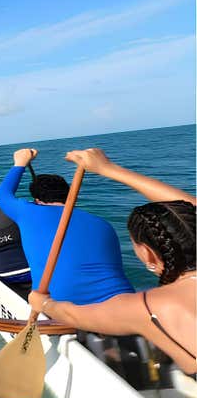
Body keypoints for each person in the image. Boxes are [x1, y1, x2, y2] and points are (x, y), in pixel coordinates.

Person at [28, 148, 196, 374]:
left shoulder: (147, 307)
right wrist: (108, 169)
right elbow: (189, 208)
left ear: (148, 253)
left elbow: (73, 315)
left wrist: (44, 304)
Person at [0, 148, 134, 304]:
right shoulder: (102, 223)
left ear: (37, 201)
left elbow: (3, 195)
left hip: (62, 308)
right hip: (125, 303)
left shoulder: (28, 212)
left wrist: (20, 163)